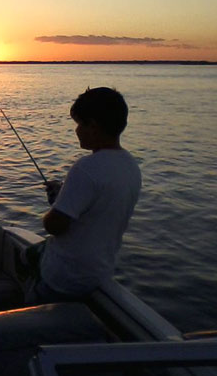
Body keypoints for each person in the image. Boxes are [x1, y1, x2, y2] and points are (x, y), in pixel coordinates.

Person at [23, 87, 141, 304]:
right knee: (32, 253)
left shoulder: (86, 168)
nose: (76, 130)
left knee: (27, 257)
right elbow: (99, 206)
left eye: (79, 124)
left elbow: (54, 227)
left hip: (65, 278)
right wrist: (64, 195)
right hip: (99, 272)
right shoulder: (130, 166)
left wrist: (56, 206)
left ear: (93, 126)